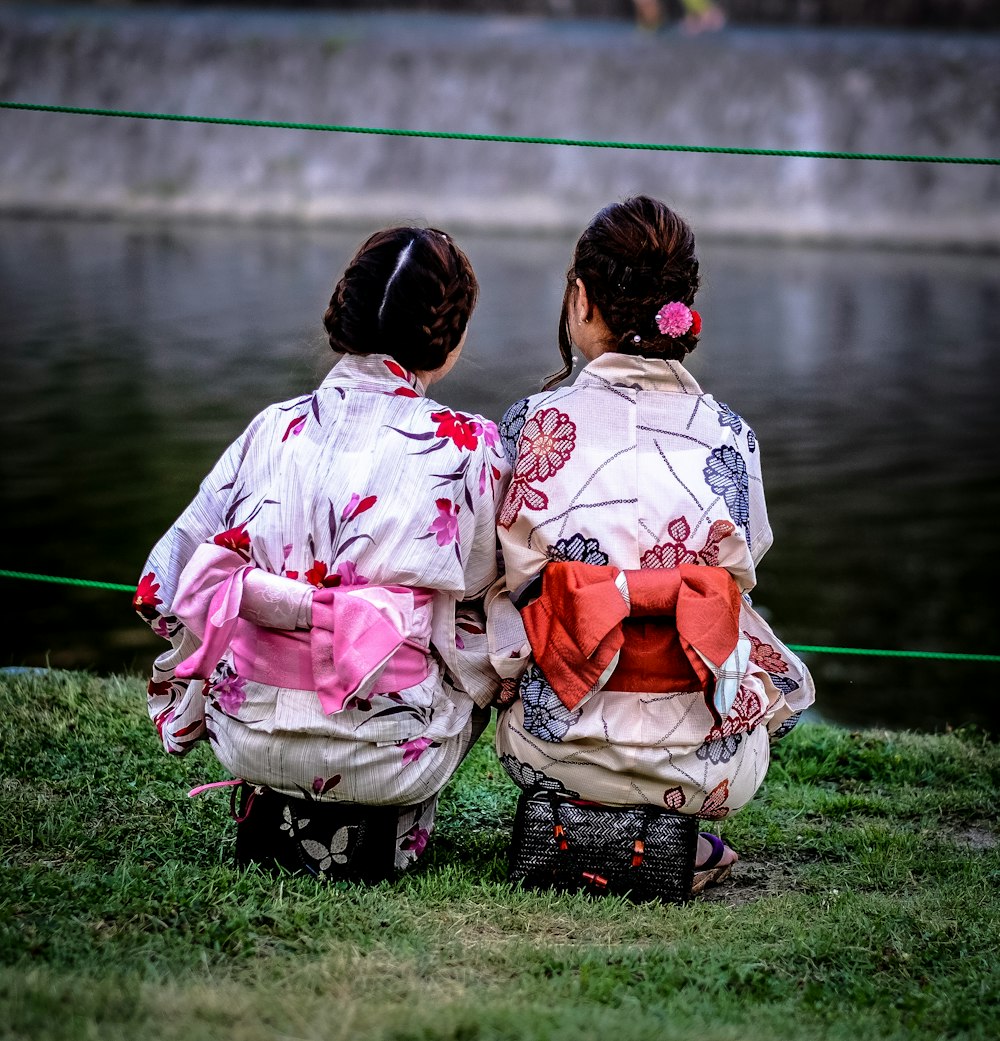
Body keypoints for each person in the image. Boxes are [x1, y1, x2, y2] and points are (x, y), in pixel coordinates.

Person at [133, 226, 510, 881]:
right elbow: (483, 605)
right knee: (493, 627)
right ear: (450, 341)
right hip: (391, 754)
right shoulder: (469, 447)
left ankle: (276, 791)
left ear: (343, 315)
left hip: (247, 736)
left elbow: (159, 588)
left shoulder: (271, 427)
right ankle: (395, 820)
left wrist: (251, 623)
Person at [487, 196, 814, 893]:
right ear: (683, 309)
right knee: (741, 614)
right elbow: (744, 568)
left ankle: (584, 821)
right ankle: (671, 838)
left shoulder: (529, 425)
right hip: (707, 767)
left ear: (582, 298)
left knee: (505, 597)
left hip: (553, 745)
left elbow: (503, 579)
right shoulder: (732, 436)